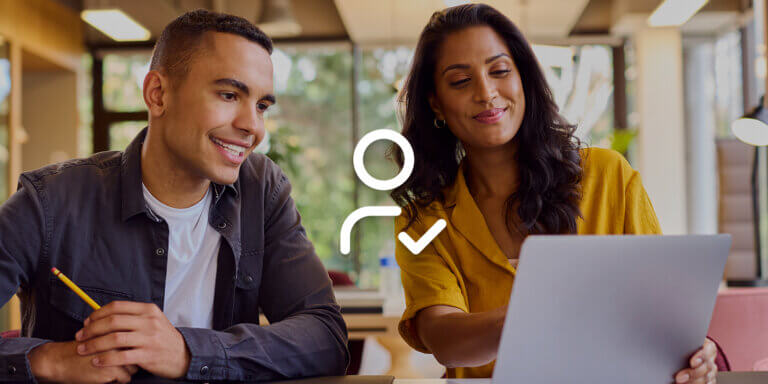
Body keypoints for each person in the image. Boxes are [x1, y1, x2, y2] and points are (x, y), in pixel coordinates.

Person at [0, 10, 348, 384]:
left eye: (262, 106)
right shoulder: (50, 202)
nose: (253, 126)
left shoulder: (261, 190)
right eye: (229, 95)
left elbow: (326, 337)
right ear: (158, 94)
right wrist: (50, 361)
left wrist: (188, 350)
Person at [390, 4, 717, 383]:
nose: (486, 92)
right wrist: (546, 310)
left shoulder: (609, 176)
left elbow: (662, 312)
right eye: (461, 81)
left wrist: (694, 355)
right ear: (436, 104)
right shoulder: (426, 219)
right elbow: (444, 339)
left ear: (524, 80)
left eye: (499, 71)